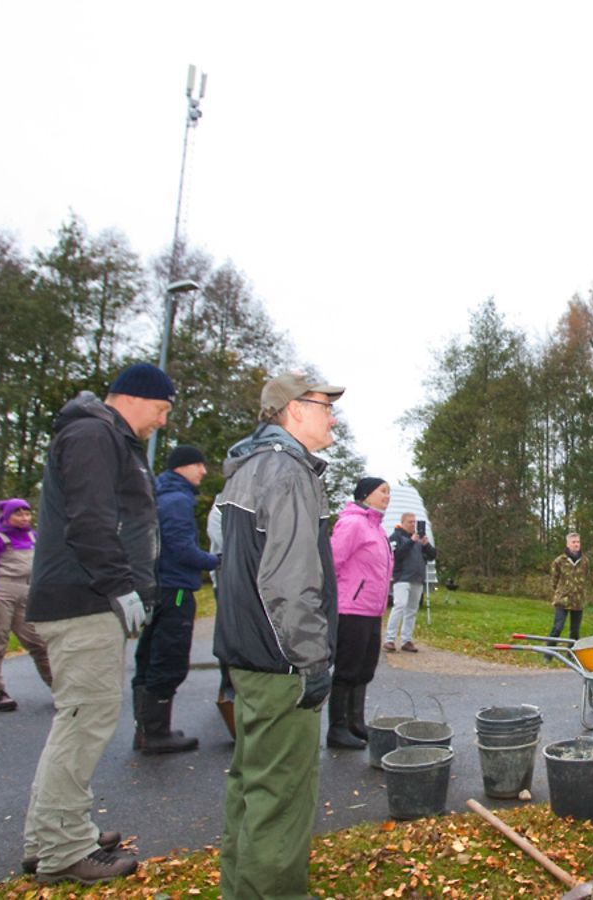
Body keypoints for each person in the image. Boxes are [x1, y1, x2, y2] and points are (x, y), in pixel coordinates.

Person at [23, 363, 173, 883]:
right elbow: (91, 518)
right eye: (162, 409)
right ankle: (64, 850)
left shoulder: (107, 438)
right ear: (135, 398)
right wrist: (119, 585)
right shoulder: (93, 434)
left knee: (76, 721)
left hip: (88, 599)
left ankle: (50, 834)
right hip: (84, 600)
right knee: (85, 723)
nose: (162, 421)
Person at [214, 371, 344, 899]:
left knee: (249, 785)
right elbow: (288, 582)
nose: (333, 416)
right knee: (282, 795)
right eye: (323, 405)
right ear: (293, 410)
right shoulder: (288, 474)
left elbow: (226, 564)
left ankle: (241, 890)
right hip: (280, 663)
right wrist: (311, 660)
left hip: (247, 655)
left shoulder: (245, 470)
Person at [130, 444, 219, 755]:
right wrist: (215, 560)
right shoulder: (178, 500)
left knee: (149, 655)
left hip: (157, 586)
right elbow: (181, 547)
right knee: (169, 658)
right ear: (182, 467)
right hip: (176, 588)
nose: (203, 471)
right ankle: (156, 732)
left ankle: (145, 730)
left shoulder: (159, 495)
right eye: (199, 465)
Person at [0, 498, 52, 712]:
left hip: (27, 591)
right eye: (18, 514)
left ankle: (60, 688)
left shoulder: (34, 537)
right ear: (6, 516)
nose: (24, 518)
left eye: (27, 513)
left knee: (38, 642)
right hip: (1, 591)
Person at [328, 476, 392, 751]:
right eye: (383, 492)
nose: (387, 496)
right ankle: (337, 728)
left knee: (365, 668)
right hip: (351, 609)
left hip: (372, 609)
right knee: (347, 668)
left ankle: (356, 722)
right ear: (366, 494)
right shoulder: (352, 523)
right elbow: (333, 562)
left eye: (389, 492)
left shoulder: (377, 528)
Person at [384, 509, 437, 652]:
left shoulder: (420, 538)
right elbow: (395, 555)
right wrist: (411, 542)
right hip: (402, 577)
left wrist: (426, 544)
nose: (413, 525)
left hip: (417, 578)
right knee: (399, 605)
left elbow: (432, 555)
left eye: (415, 522)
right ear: (402, 523)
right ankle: (389, 639)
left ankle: (407, 640)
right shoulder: (396, 537)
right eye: (410, 522)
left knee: (412, 610)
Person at [547, 532, 590, 643]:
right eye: (574, 542)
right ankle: (549, 653)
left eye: (578, 542)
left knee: (575, 631)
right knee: (558, 627)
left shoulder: (585, 561)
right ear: (568, 544)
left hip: (578, 601)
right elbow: (554, 580)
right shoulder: (559, 561)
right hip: (562, 600)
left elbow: (586, 577)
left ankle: (571, 654)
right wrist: (560, 592)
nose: (576, 544)